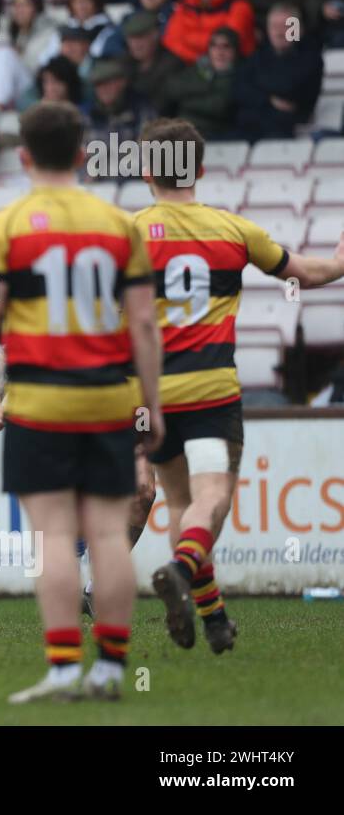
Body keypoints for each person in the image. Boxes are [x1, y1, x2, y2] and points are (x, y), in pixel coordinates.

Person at [0, 101, 163, 702]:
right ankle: (113, 669)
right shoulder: (121, 225)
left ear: (23, 157)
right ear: (82, 154)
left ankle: (67, 668)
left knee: (52, 537)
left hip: (41, 401)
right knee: (105, 534)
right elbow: (145, 326)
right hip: (107, 397)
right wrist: (152, 406)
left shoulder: (3, 227)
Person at [131, 117, 344, 653]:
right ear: (199, 169)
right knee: (213, 499)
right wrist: (340, 260)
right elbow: (306, 273)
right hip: (210, 390)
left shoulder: (128, 235)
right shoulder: (232, 229)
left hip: (151, 395)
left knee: (179, 502)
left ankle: (215, 617)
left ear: (147, 174)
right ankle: (181, 569)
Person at [234, 3, 324, 140]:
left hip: (288, 125)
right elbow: (239, 89)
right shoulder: (257, 56)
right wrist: (270, 99)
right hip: (251, 123)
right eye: (274, 26)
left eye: (286, 26)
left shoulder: (311, 58)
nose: (279, 32)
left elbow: (289, 88)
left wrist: (259, 92)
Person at [0, 0, 61, 108]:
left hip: (33, 82)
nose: (19, 9)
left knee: (6, 54)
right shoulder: (7, 25)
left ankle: (0, 103)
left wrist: (19, 55)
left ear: (37, 7)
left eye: (25, 4)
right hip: (12, 80)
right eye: (16, 4)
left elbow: (45, 65)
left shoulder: (49, 31)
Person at [162, 0, 256, 64]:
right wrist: (198, 59)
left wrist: (188, 39)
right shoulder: (186, 4)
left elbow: (225, 44)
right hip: (190, 67)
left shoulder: (240, 7)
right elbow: (171, 41)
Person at [156, 27, 241, 138]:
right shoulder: (197, 69)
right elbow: (171, 89)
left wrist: (187, 99)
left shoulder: (240, 77)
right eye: (214, 45)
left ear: (235, 51)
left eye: (226, 46)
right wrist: (205, 87)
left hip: (217, 138)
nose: (220, 51)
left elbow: (219, 106)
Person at [83, 59, 156, 174]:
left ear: (122, 82)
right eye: (98, 85)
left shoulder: (142, 111)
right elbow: (82, 158)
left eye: (108, 83)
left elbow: (148, 156)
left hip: (136, 186)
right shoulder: (89, 116)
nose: (103, 89)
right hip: (99, 187)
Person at [38, 0, 124, 66]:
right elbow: (45, 59)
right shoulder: (62, 30)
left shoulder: (109, 30)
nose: (81, 3)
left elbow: (101, 57)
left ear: (96, 2)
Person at [122, 9, 185, 111]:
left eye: (140, 38)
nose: (136, 45)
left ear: (155, 35)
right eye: (131, 38)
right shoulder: (125, 63)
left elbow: (161, 106)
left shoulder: (173, 65)